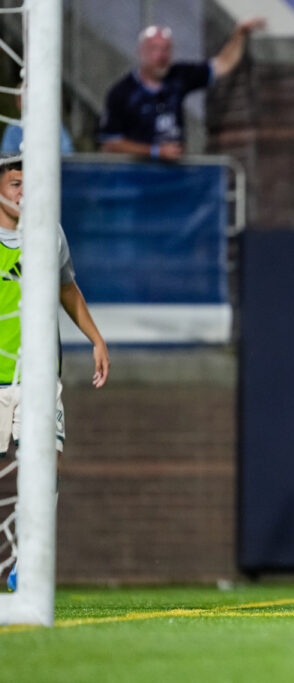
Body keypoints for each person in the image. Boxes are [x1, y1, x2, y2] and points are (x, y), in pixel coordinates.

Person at [0, 155, 110, 590]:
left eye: (30, 183)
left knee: (46, 464)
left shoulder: (49, 234)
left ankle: (28, 566)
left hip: (39, 378)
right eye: (14, 184)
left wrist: (96, 339)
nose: (23, 193)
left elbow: (67, 287)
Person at [99, 19, 265, 160]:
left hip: (175, 180)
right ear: (140, 52)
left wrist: (239, 33)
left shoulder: (178, 76)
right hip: (138, 180)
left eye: (166, 49)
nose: (162, 56)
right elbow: (110, 144)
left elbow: (222, 64)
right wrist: (155, 152)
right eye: (155, 49)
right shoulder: (123, 92)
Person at [1, 81, 74, 156]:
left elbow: (68, 155)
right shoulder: (13, 129)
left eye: (31, 98)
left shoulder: (54, 125)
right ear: (18, 104)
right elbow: (8, 161)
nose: (28, 103)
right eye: (22, 99)